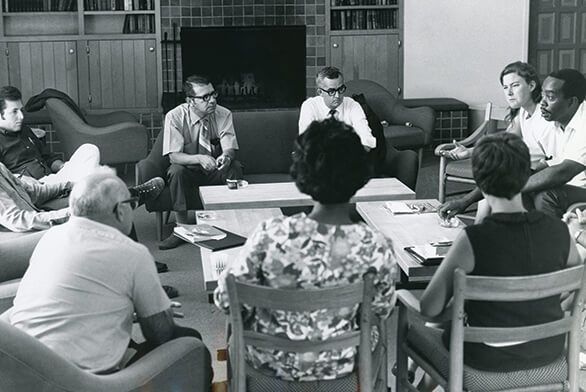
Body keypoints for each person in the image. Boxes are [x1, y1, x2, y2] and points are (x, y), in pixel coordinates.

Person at [214, 118, 398, 382]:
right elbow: (381, 309)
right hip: (343, 371)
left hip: (269, 369)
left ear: (301, 173)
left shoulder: (270, 234)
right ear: (361, 175)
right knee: (377, 338)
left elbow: (224, 300)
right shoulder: (375, 245)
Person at [5, 167, 212, 381]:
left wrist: (130, 312)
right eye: (132, 203)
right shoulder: (132, 253)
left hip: (23, 370)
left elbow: (74, 300)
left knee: (127, 341)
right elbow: (160, 333)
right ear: (120, 211)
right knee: (190, 342)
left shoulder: (49, 238)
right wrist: (159, 314)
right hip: (81, 380)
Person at [414, 133, 580, 391]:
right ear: (527, 176)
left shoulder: (472, 240)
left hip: (487, 359)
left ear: (479, 182)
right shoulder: (560, 232)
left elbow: (429, 309)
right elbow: (577, 280)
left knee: (422, 325)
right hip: (549, 349)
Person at [440, 68, 586, 220]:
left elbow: (562, 172)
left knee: (545, 195)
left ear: (572, 102)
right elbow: (543, 167)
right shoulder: (555, 122)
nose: (542, 103)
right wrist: (466, 200)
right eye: (542, 95)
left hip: (580, 189)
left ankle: (548, 242)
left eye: (550, 97)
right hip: (566, 185)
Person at [160, 74, 243, 250]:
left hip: (214, 170)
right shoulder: (174, 117)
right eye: (205, 97)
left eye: (213, 94)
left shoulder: (223, 113)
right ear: (190, 101)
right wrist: (198, 158)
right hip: (189, 172)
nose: (212, 100)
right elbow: (173, 156)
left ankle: (230, 226)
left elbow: (229, 147)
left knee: (234, 166)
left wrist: (225, 157)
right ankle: (182, 229)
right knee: (175, 171)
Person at [443, 61, 557, 171]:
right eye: (505, 87)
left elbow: (554, 158)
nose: (509, 93)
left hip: (543, 174)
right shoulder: (523, 111)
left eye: (515, 85)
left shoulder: (547, 115)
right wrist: (469, 151)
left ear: (531, 85)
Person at [0, 86, 100, 184]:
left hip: (51, 180)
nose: (21, 116)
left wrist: (63, 167)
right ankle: (81, 185)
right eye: (14, 112)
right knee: (92, 176)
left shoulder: (24, 130)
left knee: (90, 149)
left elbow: (47, 158)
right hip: (33, 189)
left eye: (21, 110)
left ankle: (78, 184)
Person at [298, 66, 377, 150]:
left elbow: (367, 139)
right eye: (331, 91)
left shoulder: (352, 105)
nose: (337, 96)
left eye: (340, 89)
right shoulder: (310, 106)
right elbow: (306, 142)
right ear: (320, 92)